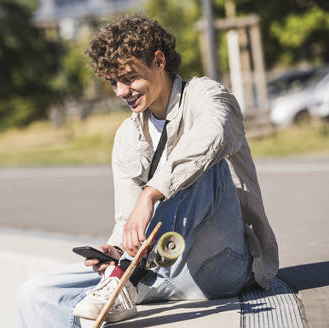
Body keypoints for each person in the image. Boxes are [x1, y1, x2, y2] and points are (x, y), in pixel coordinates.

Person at [17, 16, 278, 328]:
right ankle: (120, 276)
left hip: (220, 263)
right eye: (114, 82)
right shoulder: (127, 137)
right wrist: (114, 249)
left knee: (200, 166)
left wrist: (152, 192)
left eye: (128, 79)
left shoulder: (206, 95)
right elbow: (128, 218)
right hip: (159, 270)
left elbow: (215, 135)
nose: (120, 92)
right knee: (36, 294)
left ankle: (124, 276)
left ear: (158, 61)